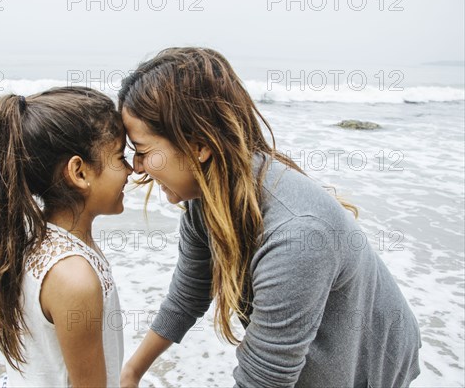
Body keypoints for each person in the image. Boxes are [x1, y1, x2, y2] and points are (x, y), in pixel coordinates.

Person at [118, 48, 421, 388]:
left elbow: (263, 380)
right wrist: (131, 373)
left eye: (142, 151)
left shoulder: (296, 234)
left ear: (198, 146)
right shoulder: (205, 202)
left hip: (370, 362)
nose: (136, 167)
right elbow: (188, 296)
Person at [0, 86, 132, 387]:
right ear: (79, 172)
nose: (131, 170)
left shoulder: (32, 240)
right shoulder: (74, 278)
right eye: (120, 157)